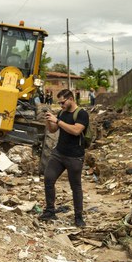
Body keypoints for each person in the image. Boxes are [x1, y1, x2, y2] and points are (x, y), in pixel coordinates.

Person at [39, 89, 89, 228]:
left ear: (71, 99)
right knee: (48, 179)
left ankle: (78, 217)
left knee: (76, 187)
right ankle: (50, 210)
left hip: (74, 157)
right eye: (59, 103)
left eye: (63, 102)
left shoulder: (82, 114)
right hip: (59, 154)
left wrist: (58, 121)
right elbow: (54, 130)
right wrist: (49, 121)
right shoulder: (62, 113)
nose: (61, 105)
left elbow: (76, 130)